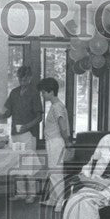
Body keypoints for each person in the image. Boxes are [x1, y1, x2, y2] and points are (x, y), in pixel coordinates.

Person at [0, 65, 43, 203]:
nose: (22, 81)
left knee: (28, 164)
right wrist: (1, 115)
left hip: (28, 133)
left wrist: (27, 126)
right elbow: (8, 112)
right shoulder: (14, 92)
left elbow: (39, 117)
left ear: (30, 78)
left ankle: (32, 194)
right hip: (15, 134)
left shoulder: (34, 93)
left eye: (25, 79)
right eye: (20, 79)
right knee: (17, 164)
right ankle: (21, 193)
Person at [38, 77, 72, 207]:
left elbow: (62, 126)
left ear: (51, 92)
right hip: (53, 142)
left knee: (56, 173)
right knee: (53, 172)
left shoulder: (57, 106)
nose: (42, 95)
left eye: (43, 92)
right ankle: (53, 200)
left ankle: (61, 202)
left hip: (56, 142)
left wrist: (67, 142)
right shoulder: (56, 105)